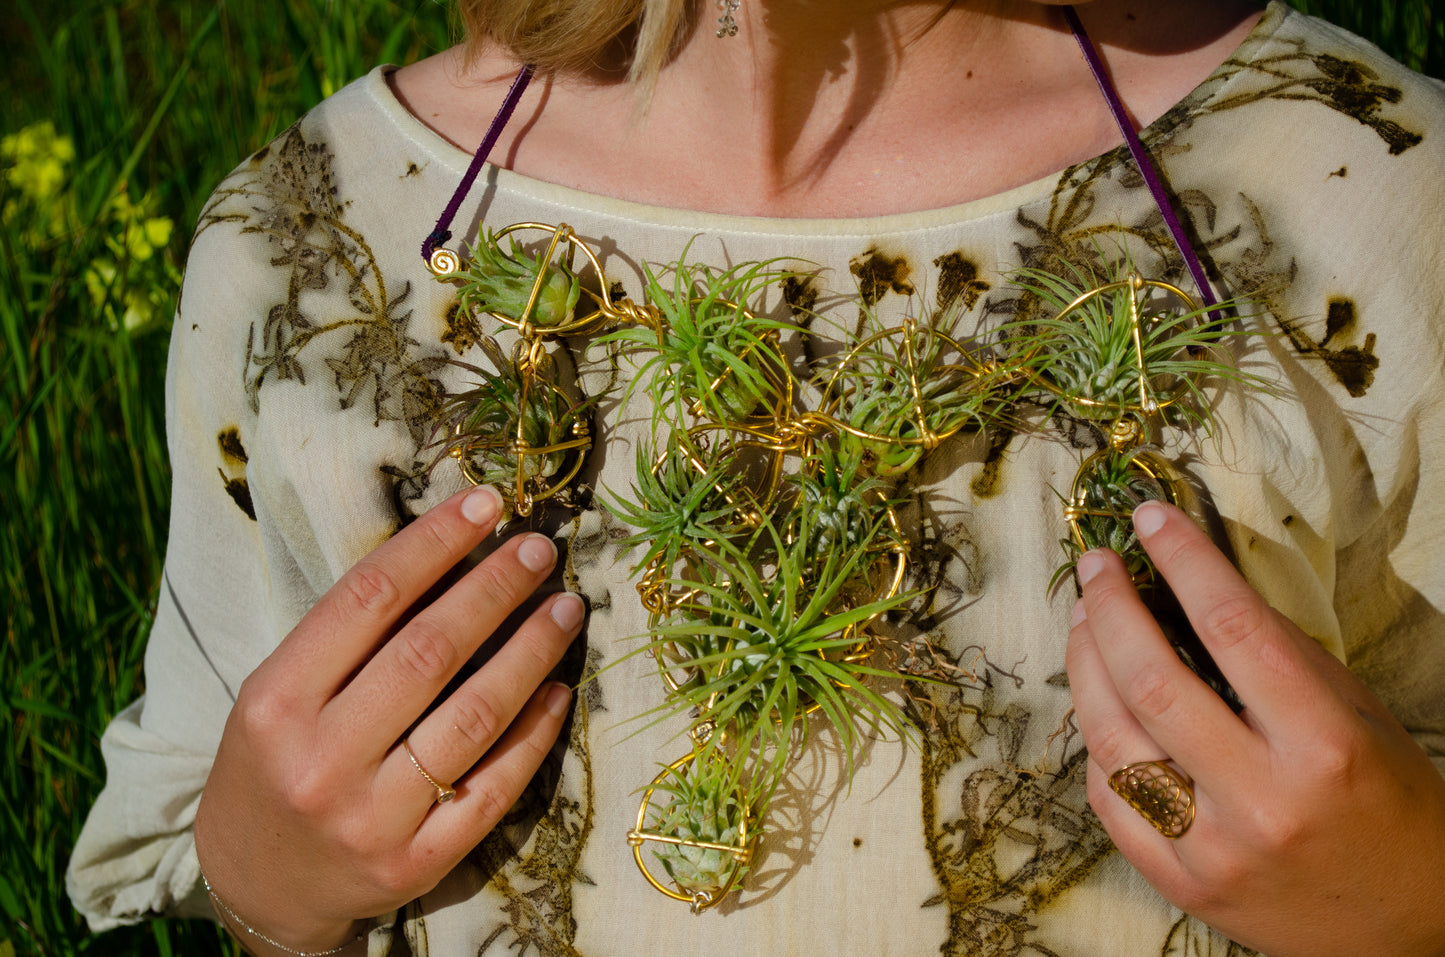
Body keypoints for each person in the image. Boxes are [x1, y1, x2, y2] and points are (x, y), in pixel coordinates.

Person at [67, 1, 1445, 954]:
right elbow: (203, 820)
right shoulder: (312, 235)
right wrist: (263, 882)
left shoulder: (1348, 177)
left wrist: (1408, 895)